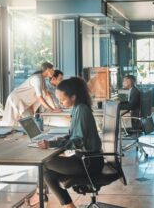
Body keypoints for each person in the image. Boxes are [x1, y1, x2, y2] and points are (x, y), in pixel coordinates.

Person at [37, 77, 104, 208]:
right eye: (59, 100)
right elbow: (77, 135)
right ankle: (69, 205)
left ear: (73, 96)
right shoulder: (78, 108)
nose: (60, 102)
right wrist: (64, 138)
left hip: (88, 162)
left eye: (62, 99)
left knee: (44, 162)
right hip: (85, 159)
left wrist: (51, 144)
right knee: (48, 174)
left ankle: (67, 205)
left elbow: (78, 141)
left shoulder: (81, 110)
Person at [2, 62, 61, 126]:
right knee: (15, 124)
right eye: (52, 69)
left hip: (24, 103)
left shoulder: (42, 79)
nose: (53, 72)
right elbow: (40, 97)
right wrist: (51, 109)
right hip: (16, 99)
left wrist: (54, 108)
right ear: (47, 70)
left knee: (29, 124)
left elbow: (47, 94)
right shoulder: (37, 78)